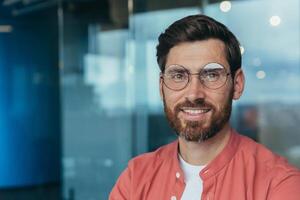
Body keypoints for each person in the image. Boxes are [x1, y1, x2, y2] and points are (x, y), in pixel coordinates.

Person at [109, 14, 300, 200]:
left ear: (237, 84)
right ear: (161, 87)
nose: (194, 94)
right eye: (178, 76)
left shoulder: (279, 184)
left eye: (211, 75)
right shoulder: (135, 179)